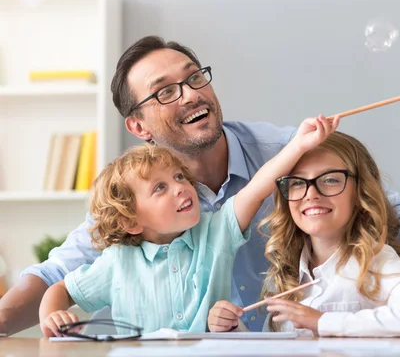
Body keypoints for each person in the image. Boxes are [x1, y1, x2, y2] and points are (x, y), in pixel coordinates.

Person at [0, 36, 400, 338]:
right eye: (165, 92)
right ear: (138, 127)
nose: (190, 94)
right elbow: (57, 274)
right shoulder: (138, 194)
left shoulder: (285, 153)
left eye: (195, 77)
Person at [39, 115, 339, 337]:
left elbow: (258, 186)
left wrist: (299, 144)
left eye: (180, 178)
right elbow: (61, 289)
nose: (180, 188)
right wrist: (51, 316)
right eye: (160, 188)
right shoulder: (116, 263)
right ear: (130, 221)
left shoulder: (217, 231)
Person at [208, 131, 400, 337]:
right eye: (298, 183)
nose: (311, 194)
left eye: (330, 180)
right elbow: (276, 348)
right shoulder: (285, 274)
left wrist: (322, 321)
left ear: (360, 191)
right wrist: (233, 328)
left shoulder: (376, 260)